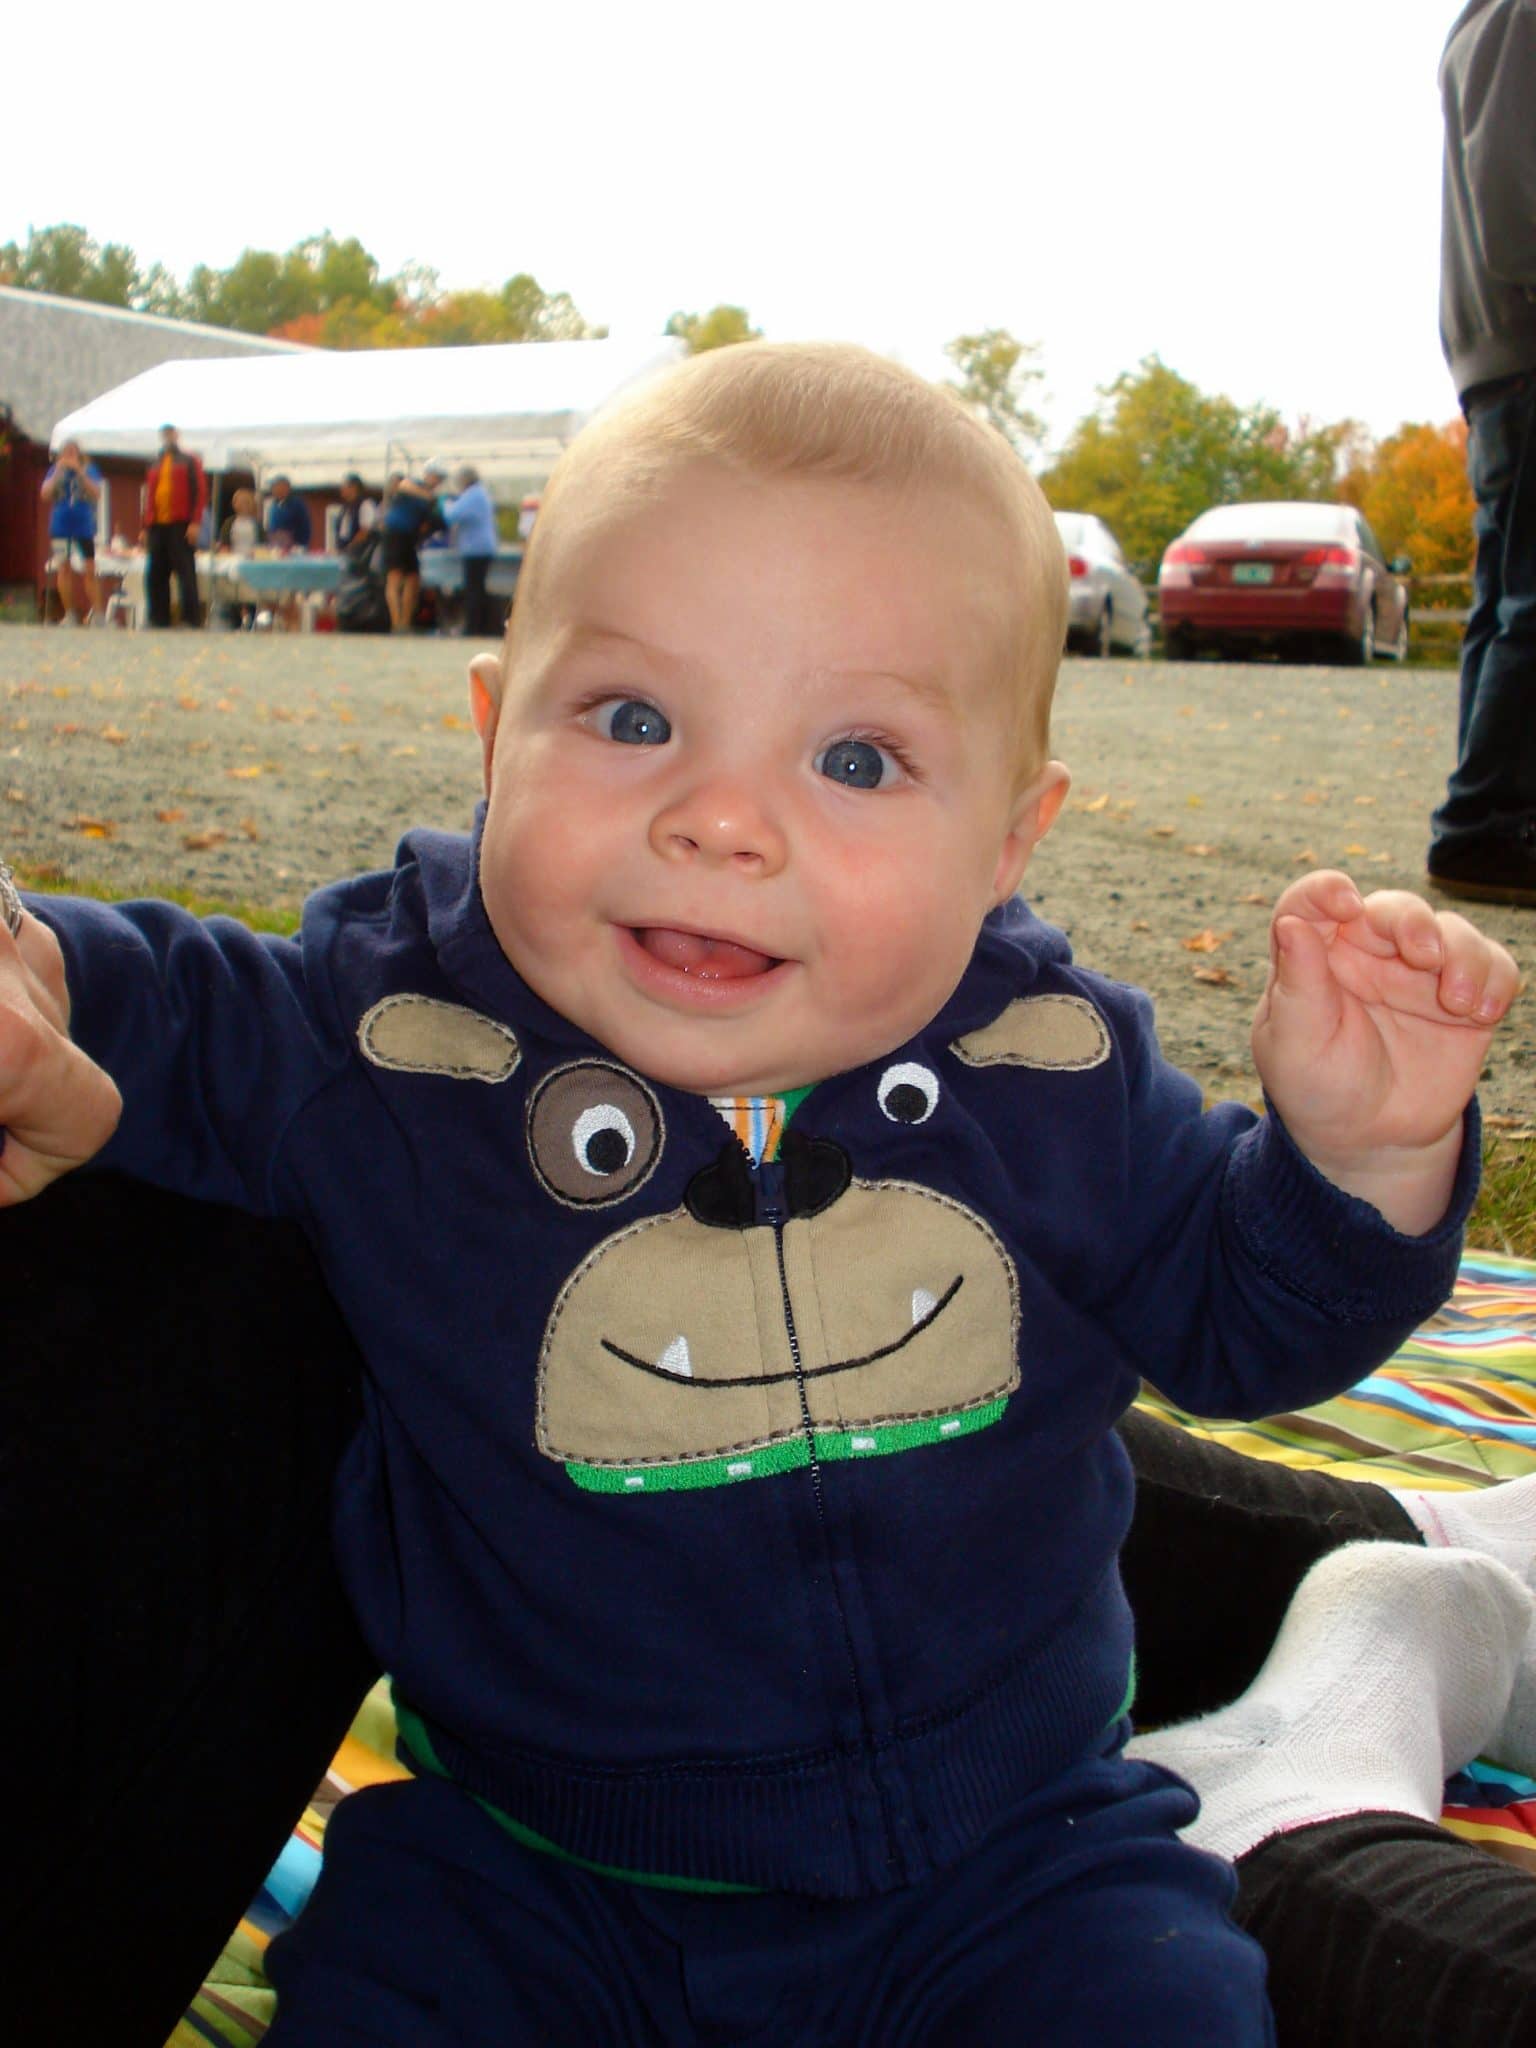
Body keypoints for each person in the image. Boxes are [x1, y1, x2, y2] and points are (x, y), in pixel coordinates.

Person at [0, 344, 1521, 2045]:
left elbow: (1250, 1317)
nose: (719, 816)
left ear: (1010, 839)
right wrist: (38, 970)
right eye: (635, 719)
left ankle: (1295, 1748)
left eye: (857, 760)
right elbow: (157, 1002)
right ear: (497, 732)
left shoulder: (1045, 1065)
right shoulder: (392, 1031)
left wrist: (1362, 1159)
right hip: (530, 1879)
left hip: (1007, 1865)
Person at [1426, 0, 1536, 903]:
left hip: (1503, 349)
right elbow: (1511, 189)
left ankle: (1490, 816)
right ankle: (1487, 824)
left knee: (1505, 595)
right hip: (1525, 341)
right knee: (1528, 598)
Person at [141, 423, 206, 629]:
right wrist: (145, 526)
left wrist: (195, 522)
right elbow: (149, 496)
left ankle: (190, 618)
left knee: (185, 571)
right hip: (158, 523)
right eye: (165, 434)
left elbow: (200, 492)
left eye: (171, 433)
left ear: (177, 436)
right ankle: (158, 617)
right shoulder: (154, 463)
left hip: (181, 522)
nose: (168, 437)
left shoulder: (189, 460)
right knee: (156, 572)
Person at [40, 438, 104, 625]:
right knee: (64, 568)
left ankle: (98, 615)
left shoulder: (89, 470)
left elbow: (97, 493)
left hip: (83, 526)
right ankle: (70, 614)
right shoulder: (55, 471)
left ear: (79, 454)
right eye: (66, 452)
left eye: (72, 451)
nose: (69, 455)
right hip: (60, 527)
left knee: (89, 569)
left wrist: (79, 471)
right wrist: (59, 471)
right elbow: (45, 493)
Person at [379, 461, 446, 633]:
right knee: (395, 577)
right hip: (395, 533)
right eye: (437, 477)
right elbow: (403, 485)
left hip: (409, 537)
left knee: (413, 579)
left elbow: (430, 521)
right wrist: (427, 495)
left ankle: (405, 622)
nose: (438, 481)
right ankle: (396, 622)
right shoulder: (415, 485)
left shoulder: (433, 500)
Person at [443, 464, 499, 636]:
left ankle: (473, 628)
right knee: (478, 587)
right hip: (482, 547)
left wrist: (445, 503)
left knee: (473, 589)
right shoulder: (481, 493)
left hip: (475, 549)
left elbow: (452, 515)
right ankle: (480, 626)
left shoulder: (473, 495)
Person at [265, 475, 313, 554]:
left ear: (286, 488)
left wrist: (300, 544)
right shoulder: (273, 505)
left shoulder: (297, 504)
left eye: (277, 487)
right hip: (276, 547)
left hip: (294, 547)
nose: (274, 490)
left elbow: (305, 526)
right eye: (273, 488)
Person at [335, 473, 377, 557]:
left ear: (354, 487)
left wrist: (348, 548)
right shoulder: (345, 508)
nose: (342, 489)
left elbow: (364, 532)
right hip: (343, 553)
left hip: (358, 555)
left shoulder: (365, 505)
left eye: (345, 486)